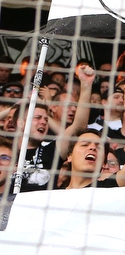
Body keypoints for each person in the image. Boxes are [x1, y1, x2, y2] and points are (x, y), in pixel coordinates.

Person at [18, 64, 97, 192]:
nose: (43, 122)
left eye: (46, 119)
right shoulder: (7, 151)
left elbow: (78, 128)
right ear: (21, 123)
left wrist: (86, 86)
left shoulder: (51, 152)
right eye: (37, 118)